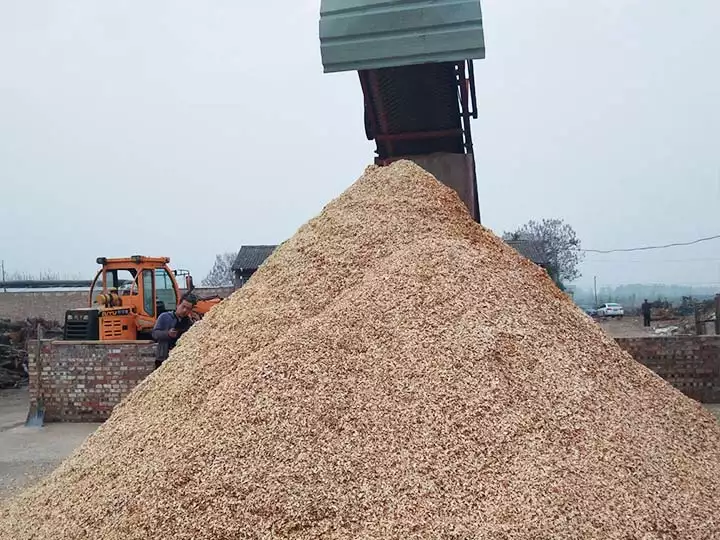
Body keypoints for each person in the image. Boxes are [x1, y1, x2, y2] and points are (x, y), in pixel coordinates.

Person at [151, 293, 197, 369]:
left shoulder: (189, 323)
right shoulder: (164, 317)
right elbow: (155, 334)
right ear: (178, 304)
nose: (185, 310)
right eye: (183, 306)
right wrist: (167, 334)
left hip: (180, 361)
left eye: (188, 308)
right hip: (163, 359)